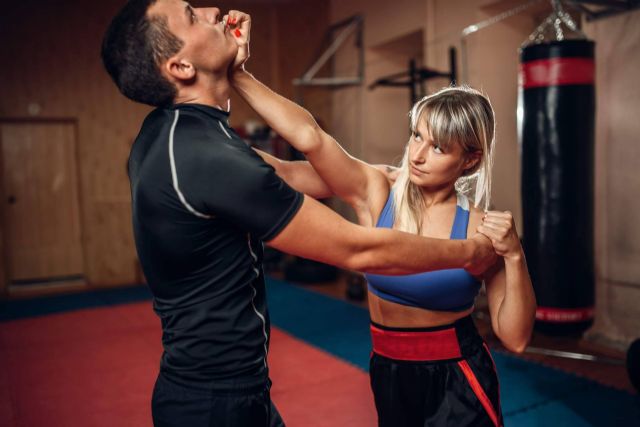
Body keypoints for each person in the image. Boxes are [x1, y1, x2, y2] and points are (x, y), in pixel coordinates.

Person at [100, 1, 496, 426]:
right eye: (192, 15)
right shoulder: (206, 158)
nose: (213, 9)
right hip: (215, 403)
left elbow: (300, 169)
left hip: (229, 389)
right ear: (179, 67)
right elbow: (357, 250)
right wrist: (470, 253)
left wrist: (380, 175)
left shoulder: (172, 135)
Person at [229, 13, 536, 427]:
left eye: (439, 147)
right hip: (389, 371)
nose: (418, 155)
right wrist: (237, 75)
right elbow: (312, 140)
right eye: (416, 135)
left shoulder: (481, 228)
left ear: (471, 159)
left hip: (458, 378)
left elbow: (515, 338)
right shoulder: (378, 189)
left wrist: (514, 256)